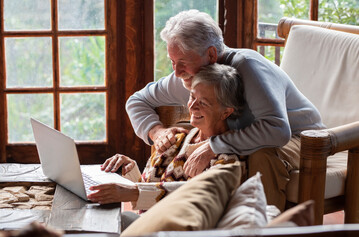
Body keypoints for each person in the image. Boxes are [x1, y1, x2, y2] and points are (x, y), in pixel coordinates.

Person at [125, 10, 325, 211]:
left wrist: (214, 145)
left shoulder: (248, 67)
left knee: (261, 155)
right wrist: (156, 131)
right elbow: (136, 101)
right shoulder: (185, 77)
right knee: (184, 134)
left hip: (303, 138)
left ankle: (262, 228)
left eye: (183, 62)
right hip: (254, 135)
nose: (176, 72)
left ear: (211, 54)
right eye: (172, 62)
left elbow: (278, 131)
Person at [87, 63, 245, 209]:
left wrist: (133, 191)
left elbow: (202, 195)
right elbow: (148, 195)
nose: (192, 106)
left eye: (203, 102)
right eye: (191, 97)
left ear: (226, 112)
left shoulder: (229, 159)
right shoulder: (176, 139)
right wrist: (130, 170)